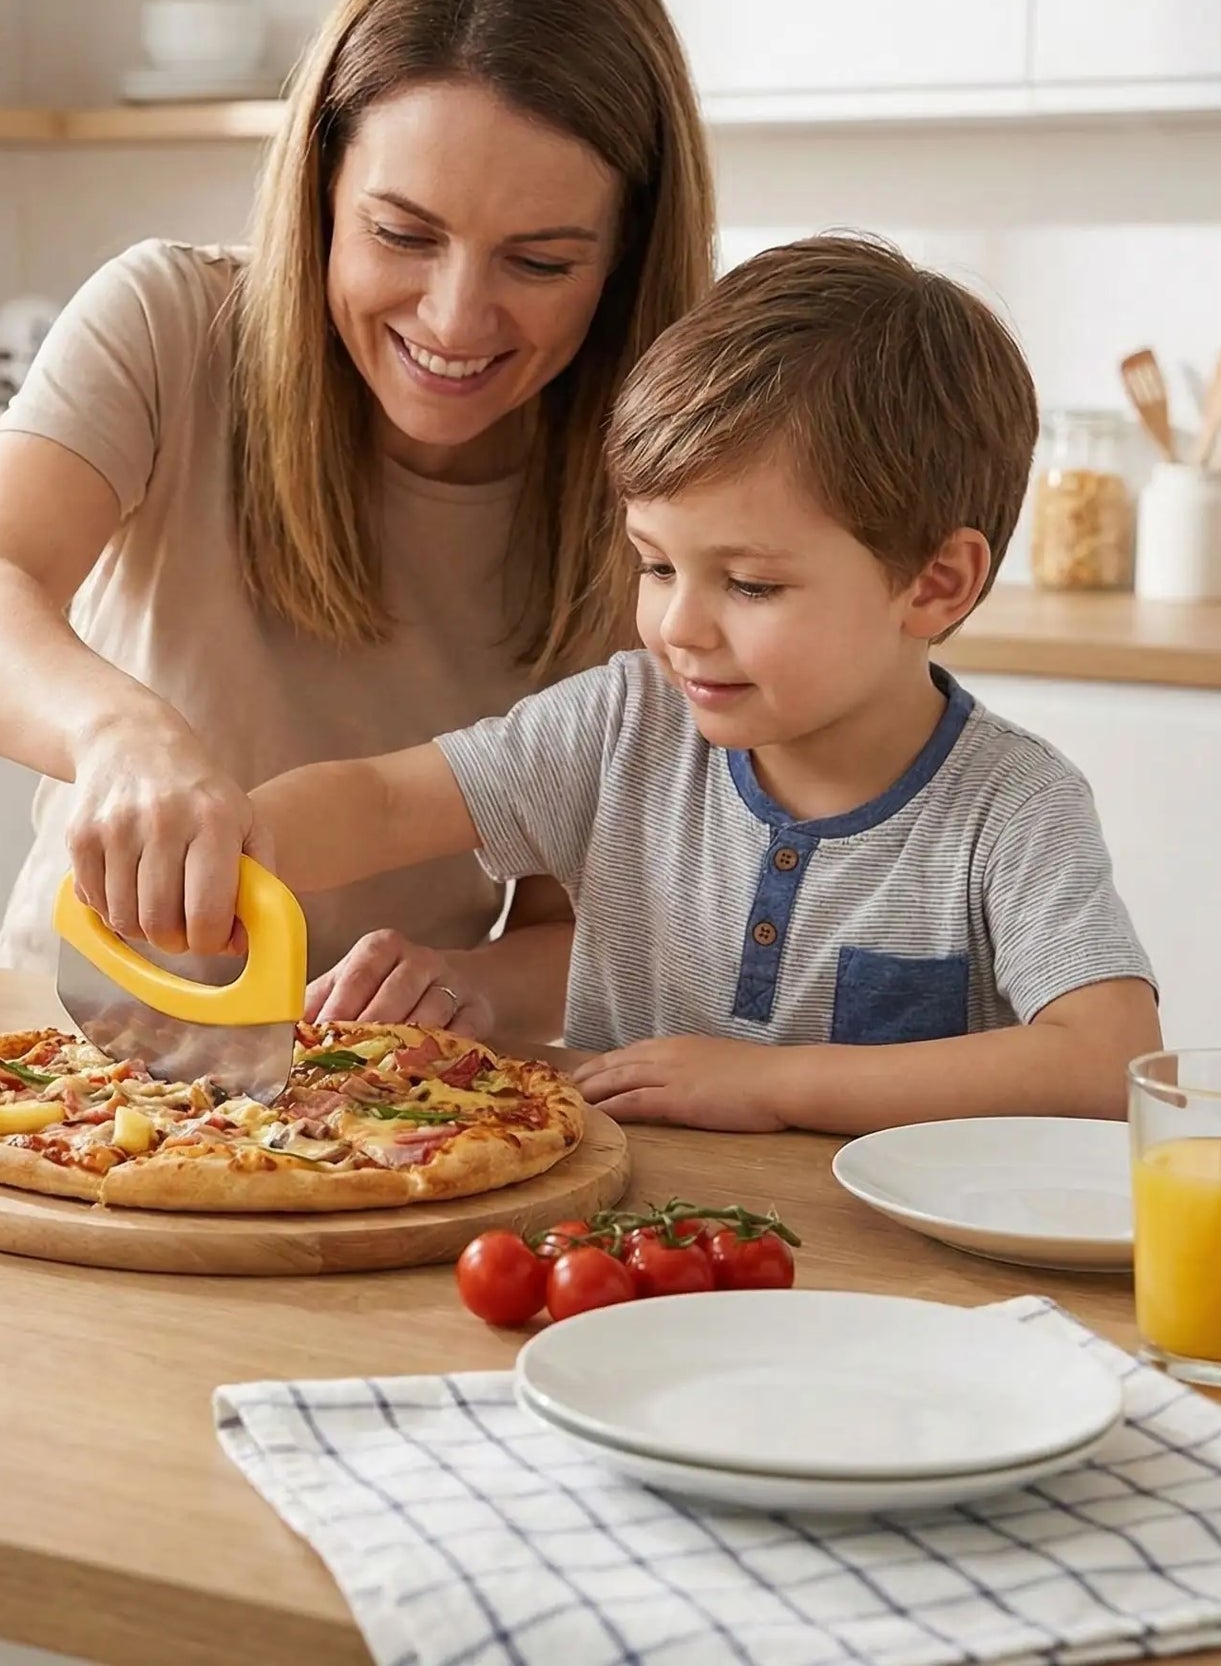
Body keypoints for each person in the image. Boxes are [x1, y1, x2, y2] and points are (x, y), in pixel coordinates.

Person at [0, 0, 714, 1032]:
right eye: (401, 234)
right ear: (322, 186)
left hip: (372, 1092)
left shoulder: (660, 485)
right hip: (57, 1047)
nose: (453, 316)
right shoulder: (168, 320)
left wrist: (466, 980)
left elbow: (572, 922)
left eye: (536, 260)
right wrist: (117, 732)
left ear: (622, 260)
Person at [249, 235, 1162, 1134]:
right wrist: (228, 842)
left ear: (935, 583)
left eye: (750, 583)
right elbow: (380, 802)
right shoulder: (624, 723)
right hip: (628, 1237)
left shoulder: (1013, 806)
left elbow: (1104, 1061)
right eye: (655, 566)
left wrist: (775, 1085)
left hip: (888, 1274)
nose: (679, 627)